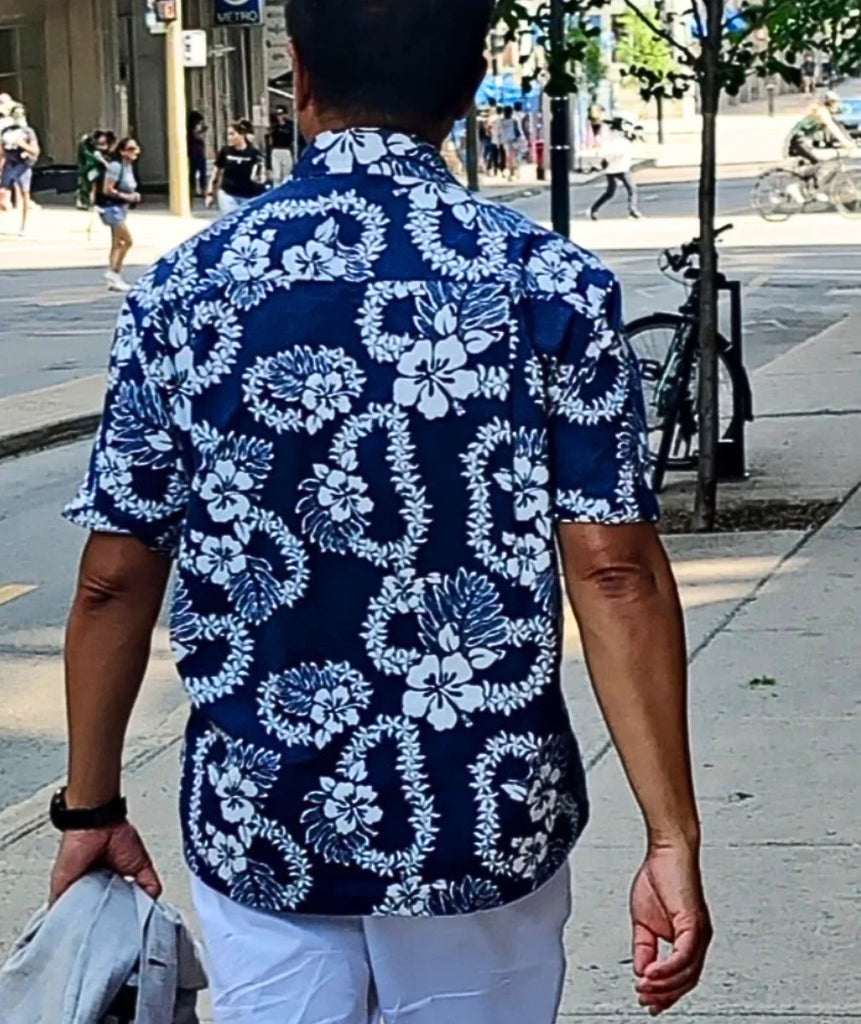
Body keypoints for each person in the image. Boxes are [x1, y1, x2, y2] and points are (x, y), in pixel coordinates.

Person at [51, 2, 712, 1023]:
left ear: (299, 79)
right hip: (481, 816)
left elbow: (113, 577)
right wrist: (671, 834)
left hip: (265, 817)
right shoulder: (551, 284)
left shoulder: (185, 291)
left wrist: (89, 804)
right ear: (467, 85)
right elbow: (614, 568)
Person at [786, 90, 856, 197]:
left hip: (805, 142)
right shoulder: (822, 112)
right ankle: (798, 188)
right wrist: (845, 143)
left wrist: (848, 140)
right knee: (818, 163)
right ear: (829, 103)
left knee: (822, 163)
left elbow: (838, 128)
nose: (838, 106)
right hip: (799, 141)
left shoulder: (826, 113)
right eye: (836, 103)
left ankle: (810, 187)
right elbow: (832, 128)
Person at [97, 137, 142, 292]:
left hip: (121, 208)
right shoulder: (116, 166)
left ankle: (114, 278)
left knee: (117, 243)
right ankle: (113, 272)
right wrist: (127, 197)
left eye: (136, 148)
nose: (135, 152)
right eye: (130, 149)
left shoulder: (128, 166)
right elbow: (107, 189)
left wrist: (133, 195)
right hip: (112, 208)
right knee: (127, 241)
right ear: (122, 151)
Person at [207, 120, 266, 215]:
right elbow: (216, 172)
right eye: (228, 135)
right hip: (228, 194)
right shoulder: (225, 151)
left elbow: (261, 174)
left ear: (241, 134)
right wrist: (210, 193)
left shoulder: (254, 153)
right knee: (229, 220)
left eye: (232, 134)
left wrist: (260, 179)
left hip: (247, 195)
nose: (229, 138)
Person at [590, 116, 641, 220]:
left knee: (610, 192)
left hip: (613, 169)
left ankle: (594, 209)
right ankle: (633, 210)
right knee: (631, 189)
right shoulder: (618, 138)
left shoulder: (615, 137)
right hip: (621, 168)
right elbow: (616, 152)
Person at [0, 104, 40, 236]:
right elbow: (2, 150)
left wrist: (23, 146)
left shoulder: (28, 132)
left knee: (24, 194)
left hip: (23, 165)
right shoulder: (6, 132)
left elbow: (35, 150)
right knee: (2, 193)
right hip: (9, 164)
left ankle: (24, 226)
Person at [76, 129, 113, 211]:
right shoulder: (89, 149)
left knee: (95, 185)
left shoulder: (97, 150)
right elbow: (95, 157)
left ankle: (90, 202)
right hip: (91, 168)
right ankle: (89, 202)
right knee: (92, 186)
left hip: (96, 168)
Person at [266, 104, 297, 185]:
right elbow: (269, 138)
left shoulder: (290, 125)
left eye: (281, 114)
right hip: (276, 150)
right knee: (276, 175)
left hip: (286, 149)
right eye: (277, 114)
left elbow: (293, 137)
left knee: (286, 174)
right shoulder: (274, 125)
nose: (279, 117)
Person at [187, 110, 209, 200]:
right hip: (197, 152)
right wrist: (202, 131)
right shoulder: (194, 129)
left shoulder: (189, 129)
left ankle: (193, 189)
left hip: (193, 152)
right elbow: (198, 137)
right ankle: (202, 189)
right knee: (201, 171)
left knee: (193, 172)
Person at [498, 103, 522, 179]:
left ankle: (510, 171)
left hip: (504, 141)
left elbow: (499, 132)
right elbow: (517, 131)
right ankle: (514, 171)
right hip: (513, 140)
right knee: (514, 156)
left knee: (508, 157)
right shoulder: (514, 121)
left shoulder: (501, 121)